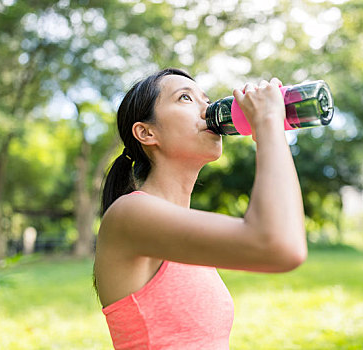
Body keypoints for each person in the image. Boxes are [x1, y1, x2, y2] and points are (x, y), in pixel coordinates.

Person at [93, 68, 307, 349]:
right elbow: (280, 246)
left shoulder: (181, 233)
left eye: (205, 99)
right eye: (185, 98)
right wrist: (268, 122)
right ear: (146, 132)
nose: (207, 109)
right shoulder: (129, 215)